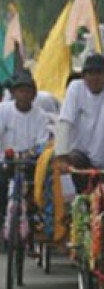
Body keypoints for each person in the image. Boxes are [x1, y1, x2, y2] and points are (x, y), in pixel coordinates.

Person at [54, 54, 104, 183]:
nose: (94, 78)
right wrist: (61, 156)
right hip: (81, 159)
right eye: (90, 73)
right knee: (82, 197)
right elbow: (65, 122)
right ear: (83, 76)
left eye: (98, 73)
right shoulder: (75, 88)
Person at [0, 70, 52, 219]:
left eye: (28, 91)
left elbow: (42, 144)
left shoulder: (41, 116)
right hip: (5, 162)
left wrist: (27, 154)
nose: (24, 95)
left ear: (34, 94)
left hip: (29, 163)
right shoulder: (3, 110)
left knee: (41, 188)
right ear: (13, 93)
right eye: (20, 91)